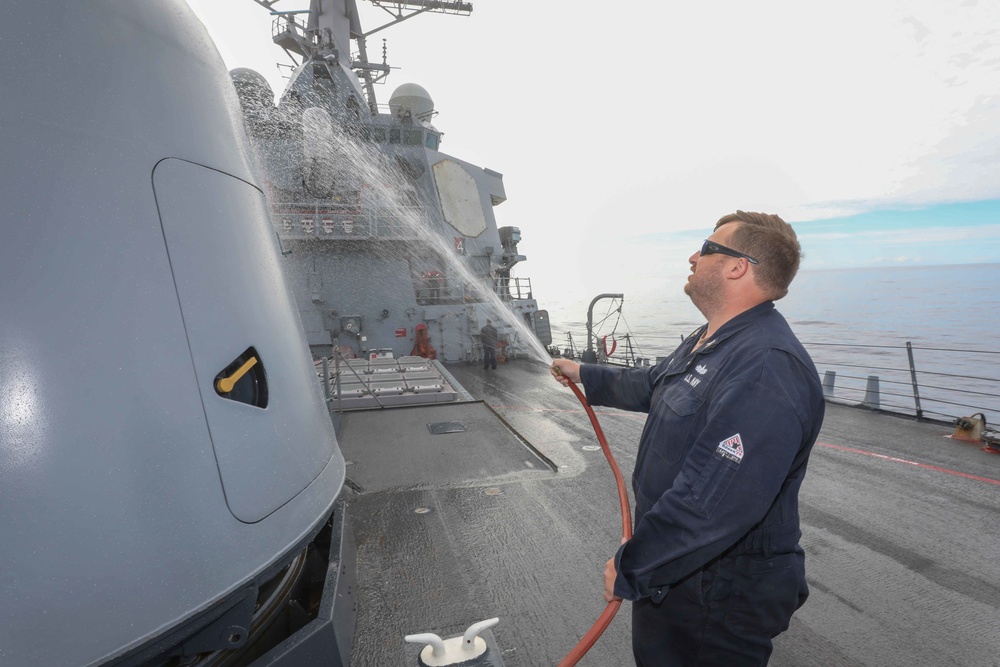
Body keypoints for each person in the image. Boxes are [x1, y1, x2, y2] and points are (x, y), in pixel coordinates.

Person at [551, 211, 825, 666]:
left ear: (738, 266)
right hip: (683, 574)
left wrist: (635, 564)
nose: (694, 256)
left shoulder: (764, 367)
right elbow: (658, 383)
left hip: (718, 588)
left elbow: (711, 502)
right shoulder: (713, 338)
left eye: (708, 248)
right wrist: (583, 373)